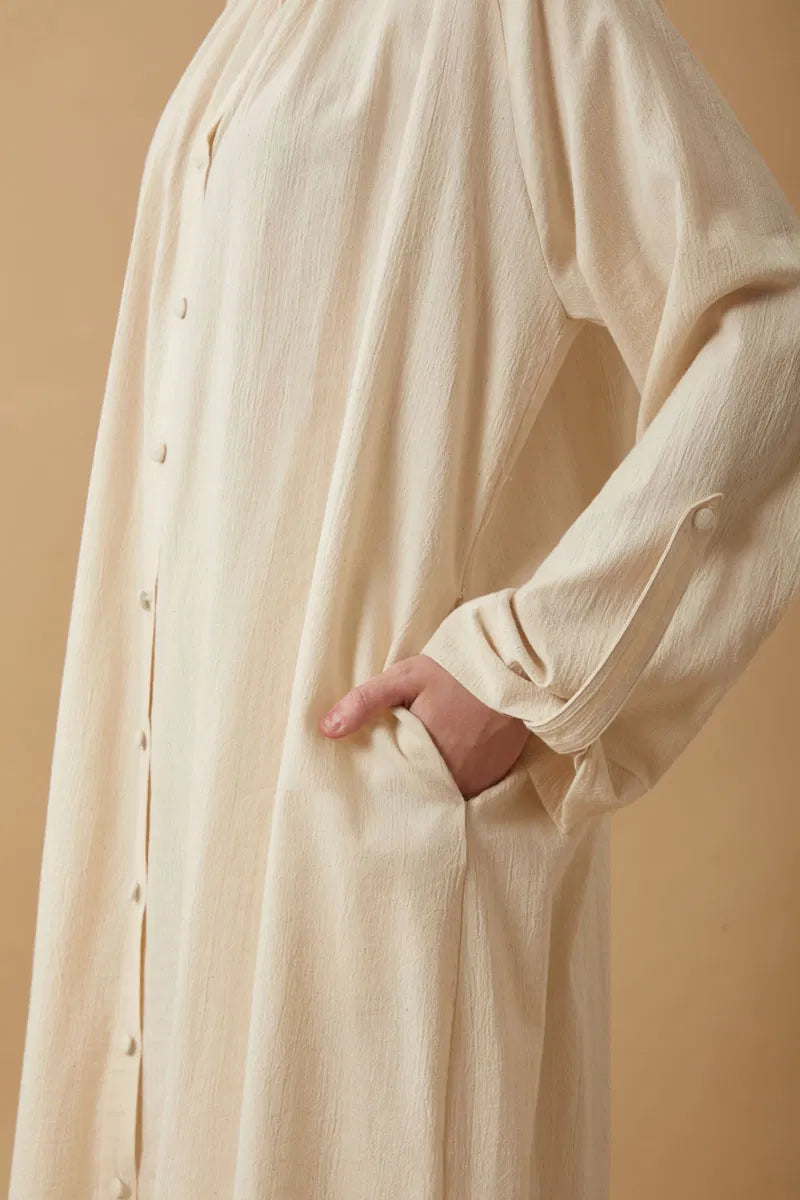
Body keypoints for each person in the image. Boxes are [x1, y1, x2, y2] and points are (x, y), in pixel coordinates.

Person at [9, 0, 800, 1196]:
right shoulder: (251, 29)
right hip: (189, 846)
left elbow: (769, 331)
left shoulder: (518, 20)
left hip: (366, 827)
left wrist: (529, 666)